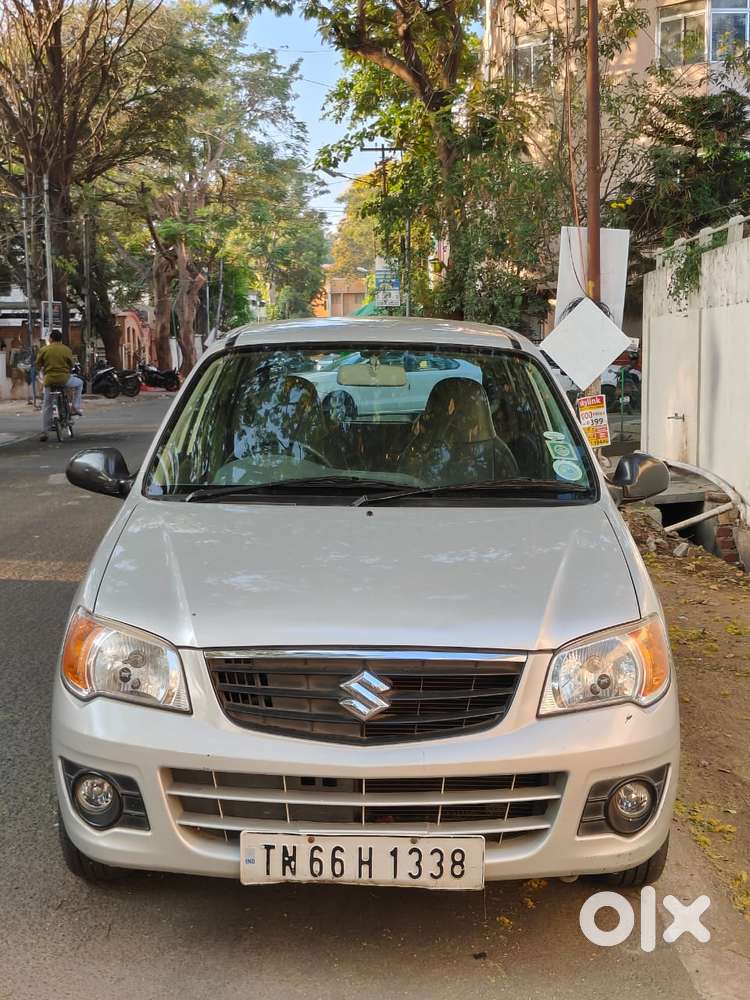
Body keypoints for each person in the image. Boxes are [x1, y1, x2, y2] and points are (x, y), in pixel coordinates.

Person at [36, 330, 83, 442]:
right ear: (61, 339)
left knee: (47, 405)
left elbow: (38, 364)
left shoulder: (44, 349)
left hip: (49, 380)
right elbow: (71, 364)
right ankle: (75, 407)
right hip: (64, 379)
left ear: (51, 339)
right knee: (80, 383)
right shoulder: (66, 349)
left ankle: (44, 431)